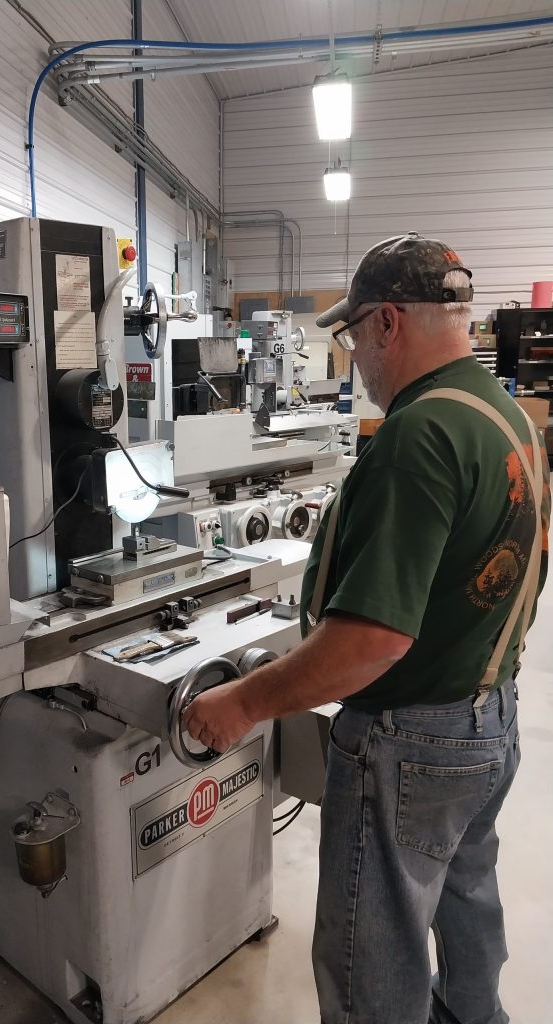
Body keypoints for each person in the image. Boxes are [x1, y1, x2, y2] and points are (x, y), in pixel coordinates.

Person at [184, 232, 551, 1024]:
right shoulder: (507, 415)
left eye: (353, 337)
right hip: (490, 718)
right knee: (465, 901)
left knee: (370, 951)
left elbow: (370, 642)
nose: (355, 357)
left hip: (411, 742)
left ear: (388, 322)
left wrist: (244, 702)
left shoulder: (420, 437)